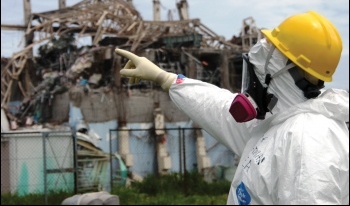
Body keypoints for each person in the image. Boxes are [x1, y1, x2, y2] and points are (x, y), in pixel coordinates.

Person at [115, 10, 349, 205]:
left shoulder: (308, 139)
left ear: (281, 67)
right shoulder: (277, 122)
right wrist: (164, 78)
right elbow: (217, 107)